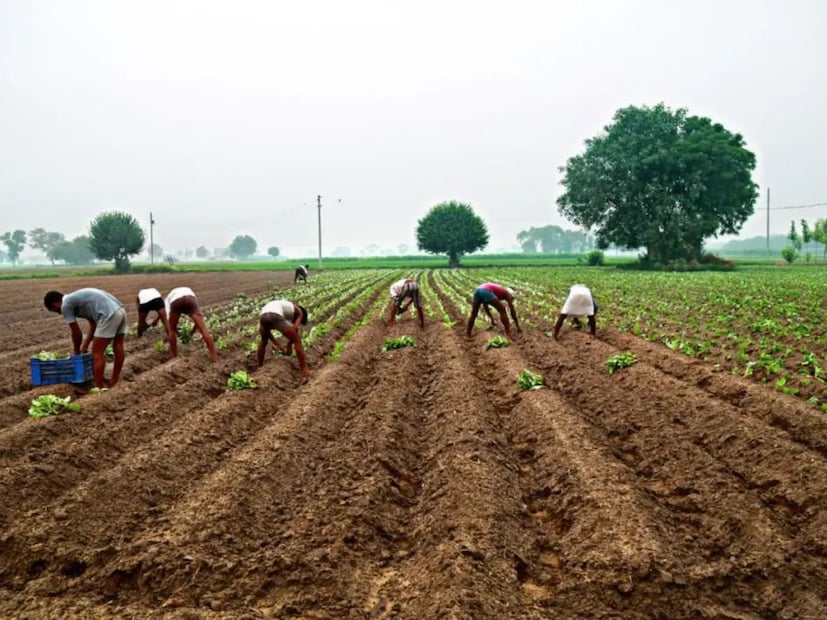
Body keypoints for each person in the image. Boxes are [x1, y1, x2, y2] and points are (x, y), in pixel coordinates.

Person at [43, 288, 127, 389]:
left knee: (97, 353)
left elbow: (76, 333)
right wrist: (85, 345)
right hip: (120, 310)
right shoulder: (76, 299)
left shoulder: (65, 305)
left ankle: (98, 387)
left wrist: (76, 352)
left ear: (55, 304)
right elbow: (93, 324)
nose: (59, 313)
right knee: (118, 345)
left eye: (56, 311)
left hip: (108, 314)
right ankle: (114, 380)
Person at [258, 299, 310, 379]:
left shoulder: (285, 308)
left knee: (263, 341)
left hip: (263, 316)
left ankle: (260, 366)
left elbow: (267, 334)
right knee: (297, 340)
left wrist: (278, 345)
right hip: (275, 315)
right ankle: (304, 370)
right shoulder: (299, 312)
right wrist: (289, 346)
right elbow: (295, 329)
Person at [165, 287, 219, 362]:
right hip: (190, 299)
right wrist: (192, 332)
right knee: (203, 329)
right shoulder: (190, 293)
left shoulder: (167, 301)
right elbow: (198, 323)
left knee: (171, 330)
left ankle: (174, 357)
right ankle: (214, 356)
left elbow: (171, 325)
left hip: (176, 301)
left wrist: (177, 332)